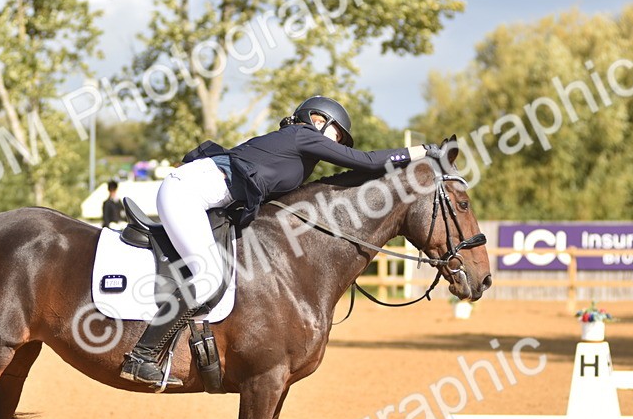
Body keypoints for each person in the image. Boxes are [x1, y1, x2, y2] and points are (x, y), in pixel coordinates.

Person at [119, 95, 437, 387]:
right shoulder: (302, 135)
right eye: (336, 133)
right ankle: (141, 356)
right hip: (187, 191)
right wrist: (421, 152)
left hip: (203, 196)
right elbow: (366, 160)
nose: (337, 142)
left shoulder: (296, 162)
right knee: (208, 276)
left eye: (340, 139)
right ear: (317, 120)